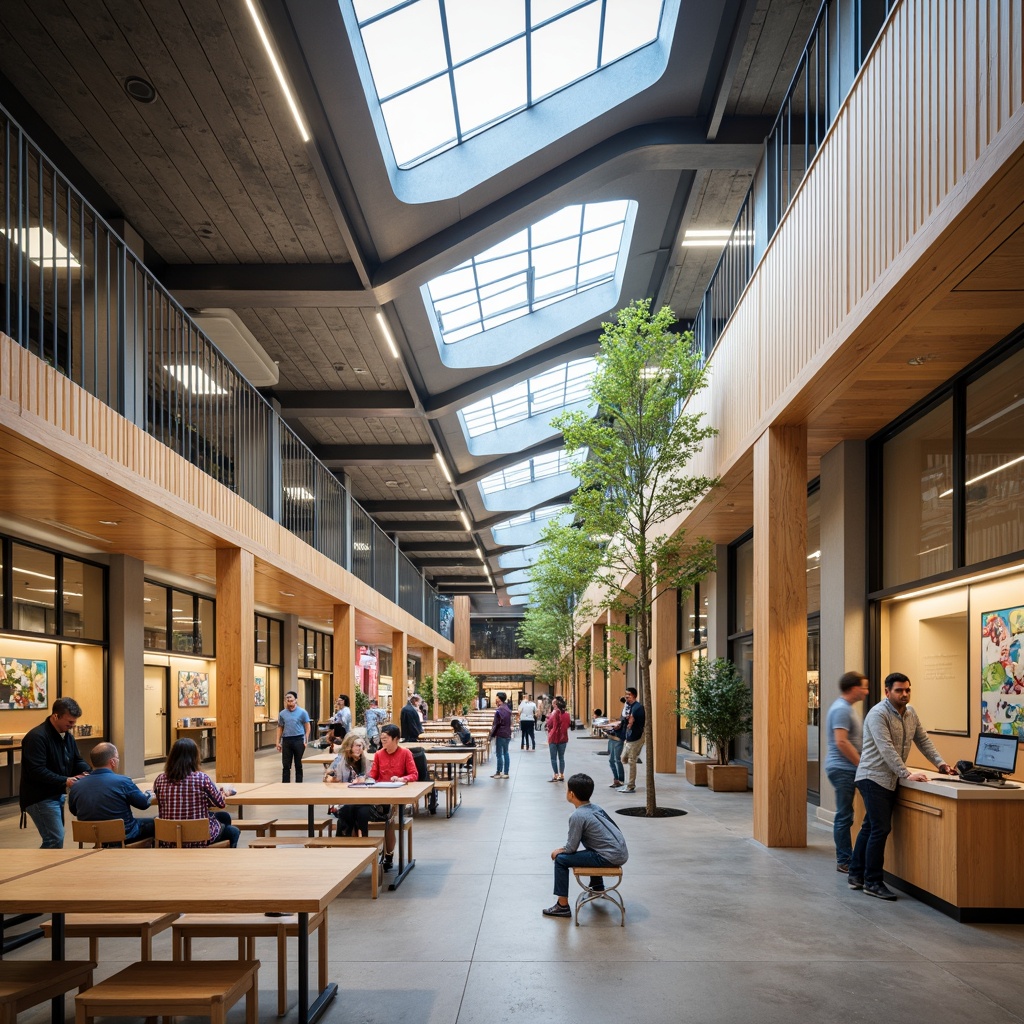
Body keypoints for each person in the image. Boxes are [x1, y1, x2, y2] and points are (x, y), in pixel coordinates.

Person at [848, 672, 957, 900]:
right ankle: (873, 882)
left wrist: (941, 763)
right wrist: (906, 773)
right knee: (880, 828)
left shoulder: (910, 713)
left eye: (907, 690)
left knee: (870, 827)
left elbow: (923, 739)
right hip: (873, 777)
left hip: (890, 778)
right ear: (887, 692)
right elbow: (886, 748)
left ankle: (856, 874)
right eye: (899, 690)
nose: (904, 694)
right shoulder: (878, 714)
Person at [543, 772, 629, 918]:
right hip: (620, 852)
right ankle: (597, 886)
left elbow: (571, 848)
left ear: (571, 794)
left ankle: (562, 905)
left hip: (608, 857)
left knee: (561, 860)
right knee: (591, 849)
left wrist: (559, 851)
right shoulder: (596, 807)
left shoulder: (577, 816)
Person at [20, 696, 90, 848]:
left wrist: (88, 772)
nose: (72, 725)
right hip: (40, 797)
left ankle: (48, 869)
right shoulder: (36, 737)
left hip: (56, 793)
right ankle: (42, 871)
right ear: (55, 716)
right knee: (55, 838)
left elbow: (76, 760)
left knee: (56, 838)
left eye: (74, 722)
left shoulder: (67, 736)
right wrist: (65, 780)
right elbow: (36, 771)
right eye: (70, 722)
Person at [153, 737, 240, 848]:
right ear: (195, 757)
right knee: (233, 831)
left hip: (169, 838)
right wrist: (223, 792)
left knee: (223, 817)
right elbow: (220, 803)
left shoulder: (160, 779)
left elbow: (159, 795)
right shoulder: (202, 778)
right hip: (198, 838)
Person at [68, 742, 155, 844]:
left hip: (92, 835)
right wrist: (149, 793)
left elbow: (74, 811)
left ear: (92, 763)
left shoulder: (76, 786)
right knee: (157, 823)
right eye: (117, 758)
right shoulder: (123, 781)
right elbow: (143, 804)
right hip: (125, 834)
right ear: (113, 762)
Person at [825, 671, 869, 873]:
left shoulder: (846, 708)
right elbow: (841, 742)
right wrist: (861, 764)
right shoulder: (842, 710)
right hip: (843, 769)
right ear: (853, 688)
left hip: (847, 768)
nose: (866, 691)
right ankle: (844, 860)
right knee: (844, 815)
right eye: (864, 687)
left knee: (846, 814)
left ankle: (848, 858)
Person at [369, 724, 418, 870]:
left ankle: (388, 854)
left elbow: (414, 774)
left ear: (396, 739)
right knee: (355, 812)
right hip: (379, 794)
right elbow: (373, 774)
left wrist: (402, 779)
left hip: (397, 795)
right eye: (381, 738)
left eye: (386, 738)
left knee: (390, 818)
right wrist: (367, 780)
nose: (382, 741)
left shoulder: (405, 753)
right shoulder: (378, 754)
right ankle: (361, 853)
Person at [324, 732, 384, 838]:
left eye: (360, 746)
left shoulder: (366, 762)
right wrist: (334, 780)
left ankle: (362, 840)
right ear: (349, 747)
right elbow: (327, 778)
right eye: (356, 746)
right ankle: (345, 840)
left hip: (363, 800)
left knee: (363, 811)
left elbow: (373, 777)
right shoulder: (340, 760)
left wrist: (365, 779)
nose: (359, 749)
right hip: (343, 800)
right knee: (349, 808)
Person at [276, 690, 311, 783]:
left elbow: (307, 726)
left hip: (298, 739)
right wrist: (277, 742)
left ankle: (299, 784)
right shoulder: (282, 713)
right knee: (286, 765)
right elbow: (280, 727)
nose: (289, 702)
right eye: (287, 700)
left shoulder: (302, 712)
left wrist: (306, 739)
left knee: (298, 764)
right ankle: (285, 784)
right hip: (286, 740)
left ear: (295, 700)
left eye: (291, 700)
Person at [620, 687, 646, 793]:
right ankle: (635, 754)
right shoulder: (629, 706)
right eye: (626, 694)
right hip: (629, 737)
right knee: (623, 758)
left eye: (629, 694)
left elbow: (634, 722)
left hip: (636, 737)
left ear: (634, 695)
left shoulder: (637, 707)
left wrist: (630, 722)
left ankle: (630, 786)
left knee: (631, 761)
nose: (627, 696)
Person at [602, 696, 629, 788]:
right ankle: (616, 779)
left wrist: (619, 725)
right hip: (613, 737)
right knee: (611, 760)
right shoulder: (625, 710)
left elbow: (626, 724)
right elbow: (622, 722)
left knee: (617, 759)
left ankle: (620, 780)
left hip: (618, 738)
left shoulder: (630, 710)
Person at [546, 696, 570, 782]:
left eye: (554, 704)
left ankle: (555, 775)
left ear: (556, 705)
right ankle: (562, 774)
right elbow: (568, 725)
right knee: (561, 757)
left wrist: (548, 718)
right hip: (563, 738)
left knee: (553, 758)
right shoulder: (567, 714)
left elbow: (549, 724)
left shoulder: (554, 714)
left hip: (553, 738)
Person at [489, 691, 512, 778]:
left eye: (497, 697)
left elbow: (496, 724)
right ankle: (506, 773)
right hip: (507, 733)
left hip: (500, 733)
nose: (495, 699)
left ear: (499, 699)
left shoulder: (499, 710)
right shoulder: (507, 708)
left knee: (499, 754)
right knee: (506, 753)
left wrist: (491, 735)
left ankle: (498, 772)